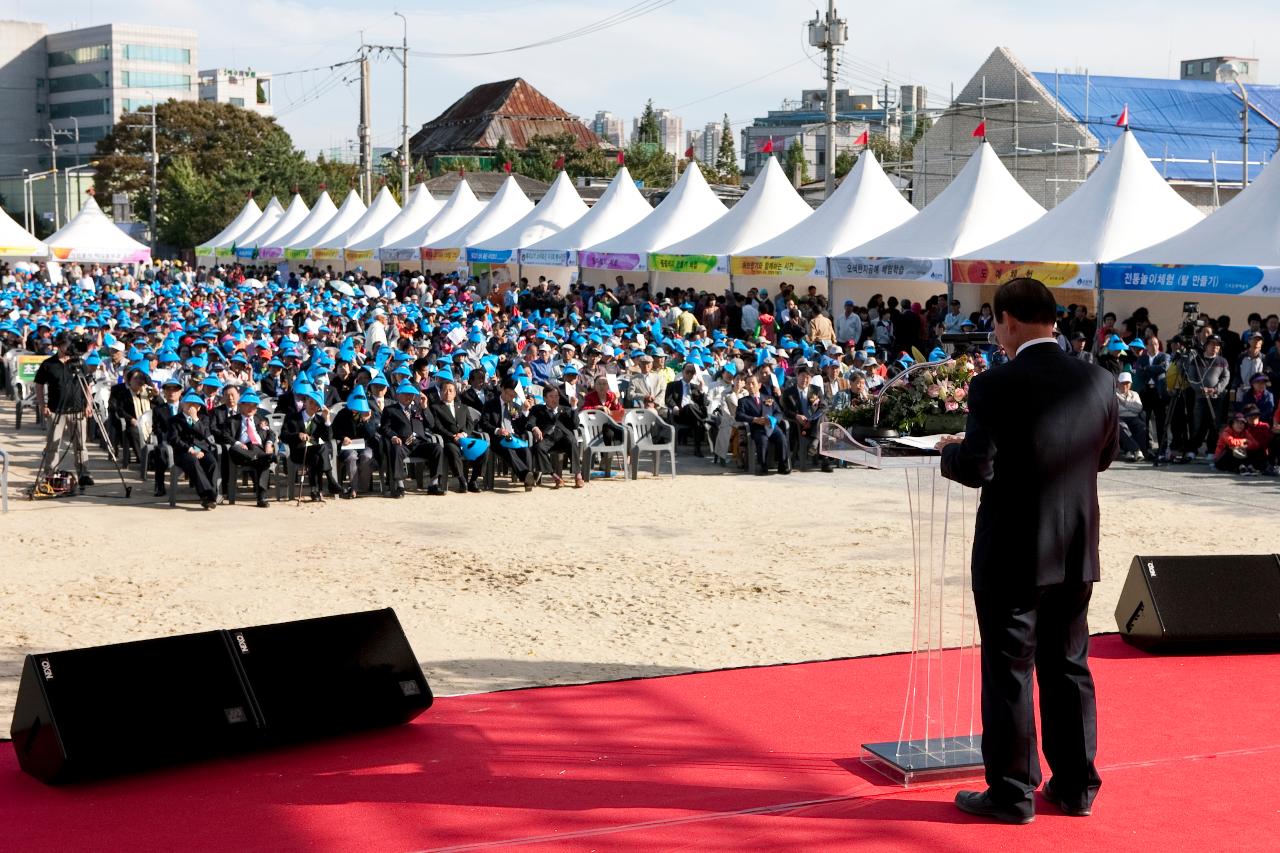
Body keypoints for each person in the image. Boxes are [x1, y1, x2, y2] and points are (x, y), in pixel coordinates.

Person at [937, 278, 1117, 824]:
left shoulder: (995, 384)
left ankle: (1013, 792)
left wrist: (947, 452)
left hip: (1013, 550)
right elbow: (1104, 457)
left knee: (1010, 670)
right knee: (1069, 665)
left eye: (995, 322)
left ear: (1008, 320)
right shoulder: (1099, 380)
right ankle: (1076, 785)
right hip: (1076, 547)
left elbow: (977, 467)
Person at [34, 332, 94, 486]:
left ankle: (84, 474)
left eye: (70, 344)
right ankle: (51, 474)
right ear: (59, 345)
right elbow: (39, 385)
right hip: (56, 411)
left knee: (80, 445)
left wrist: (89, 404)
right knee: (53, 444)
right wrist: (42, 405)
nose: (69, 348)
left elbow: (88, 385)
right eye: (66, 345)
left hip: (78, 409)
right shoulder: (48, 364)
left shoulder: (79, 363)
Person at [380, 382, 445, 497]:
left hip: (419, 443)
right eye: (405, 394)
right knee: (396, 449)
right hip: (402, 444)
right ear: (398, 394)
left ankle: (433, 484)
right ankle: (399, 486)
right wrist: (394, 437)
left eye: (411, 394)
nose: (408, 396)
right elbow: (385, 428)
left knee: (437, 448)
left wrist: (425, 407)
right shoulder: (390, 410)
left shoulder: (418, 408)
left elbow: (431, 424)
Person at [214, 387, 276, 507]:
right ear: (241, 406)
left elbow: (271, 433)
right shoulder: (232, 420)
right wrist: (237, 443)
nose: (250, 408)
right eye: (247, 405)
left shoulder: (260, 419)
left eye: (253, 406)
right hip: (241, 449)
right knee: (237, 450)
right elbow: (225, 435)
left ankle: (261, 498)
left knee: (262, 462)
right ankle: (264, 457)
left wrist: (269, 443)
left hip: (258, 447)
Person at [280, 388, 344, 501]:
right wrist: (297, 435)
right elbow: (283, 436)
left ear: (319, 407)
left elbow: (328, 438)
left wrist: (327, 420)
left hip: (316, 452)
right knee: (322, 449)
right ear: (305, 402)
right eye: (310, 402)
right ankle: (330, 480)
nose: (312, 406)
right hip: (298, 452)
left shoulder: (320, 420)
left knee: (317, 455)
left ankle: (315, 491)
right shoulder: (292, 417)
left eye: (316, 404)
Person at [430, 374, 485, 493]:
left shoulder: (463, 407)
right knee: (452, 450)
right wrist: (452, 436)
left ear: (455, 393)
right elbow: (437, 426)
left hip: (465, 439)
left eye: (450, 390)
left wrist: (463, 434)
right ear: (440, 392)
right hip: (450, 440)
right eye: (445, 390)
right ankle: (462, 480)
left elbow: (470, 425)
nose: (447, 393)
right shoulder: (435, 407)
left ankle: (473, 481)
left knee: (482, 448)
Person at [168, 388, 221, 510]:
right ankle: (209, 495)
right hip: (183, 451)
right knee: (193, 461)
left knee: (212, 462)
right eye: (189, 404)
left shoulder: (203, 419)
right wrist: (190, 449)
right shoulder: (174, 420)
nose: (191, 407)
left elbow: (205, 435)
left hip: (201, 449)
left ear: (199, 407)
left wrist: (195, 419)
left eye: (195, 404)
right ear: (183, 404)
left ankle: (211, 496)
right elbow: (173, 439)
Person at [480, 377, 536, 490]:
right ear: (502, 389)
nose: (509, 397)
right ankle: (526, 475)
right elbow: (484, 423)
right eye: (508, 394)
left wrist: (525, 411)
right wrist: (497, 430)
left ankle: (527, 479)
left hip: (513, 436)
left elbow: (520, 427)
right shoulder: (490, 404)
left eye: (513, 396)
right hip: (498, 438)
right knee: (509, 449)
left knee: (525, 449)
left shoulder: (514, 406)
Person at [524, 384, 583, 488]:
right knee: (538, 448)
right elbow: (529, 422)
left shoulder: (566, 410)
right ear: (545, 398)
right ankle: (555, 477)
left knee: (572, 440)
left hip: (564, 439)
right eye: (551, 396)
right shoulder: (537, 409)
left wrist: (574, 407)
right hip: (547, 439)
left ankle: (578, 476)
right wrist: (534, 428)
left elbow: (575, 425)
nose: (555, 399)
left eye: (556, 396)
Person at [735, 373, 790, 475]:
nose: (750, 386)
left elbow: (779, 412)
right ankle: (763, 465)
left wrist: (773, 419)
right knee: (762, 440)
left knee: (781, 438)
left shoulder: (768, 397)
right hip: (757, 428)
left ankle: (783, 464)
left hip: (772, 427)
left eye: (753, 383)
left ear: (759, 385)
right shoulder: (743, 401)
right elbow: (739, 415)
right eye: (748, 384)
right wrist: (754, 419)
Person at [332, 387, 380, 497]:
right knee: (351, 457)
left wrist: (366, 421)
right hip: (347, 446)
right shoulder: (343, 413)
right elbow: (334, 431)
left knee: (367, 456)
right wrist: (343, 437)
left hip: (365, 445)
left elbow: (371, 434)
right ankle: (353, 488)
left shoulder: (369, 413)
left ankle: (362, 487)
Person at [664, 361, 708, 456]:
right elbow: (668, 399)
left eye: (692, 372)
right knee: (690, 406)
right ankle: (704, 419)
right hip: (679, 413)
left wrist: (702, 389)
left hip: (693, 416)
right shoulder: (673, 385)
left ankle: (697, 450)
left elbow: (704, 403)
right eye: (687, 371)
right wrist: (674, 407)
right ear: (682, 372)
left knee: (697, 420)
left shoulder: (695, 387)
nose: (689, 374)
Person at [1115, 372, 1149, 462]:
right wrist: (1131, 407)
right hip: (1120, 417)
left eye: (1127, 383)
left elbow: (1139, 408)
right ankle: (1136, 450)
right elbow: (1116, 410)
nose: (1125, 386)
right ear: (1118, 383)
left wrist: (1124, 403)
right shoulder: (1113, 394)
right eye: (1123, 383)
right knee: (1122, 427)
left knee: (1141, 426)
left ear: (1131, 384)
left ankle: (1137, 452)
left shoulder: (1135, 394)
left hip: (1134, 417)